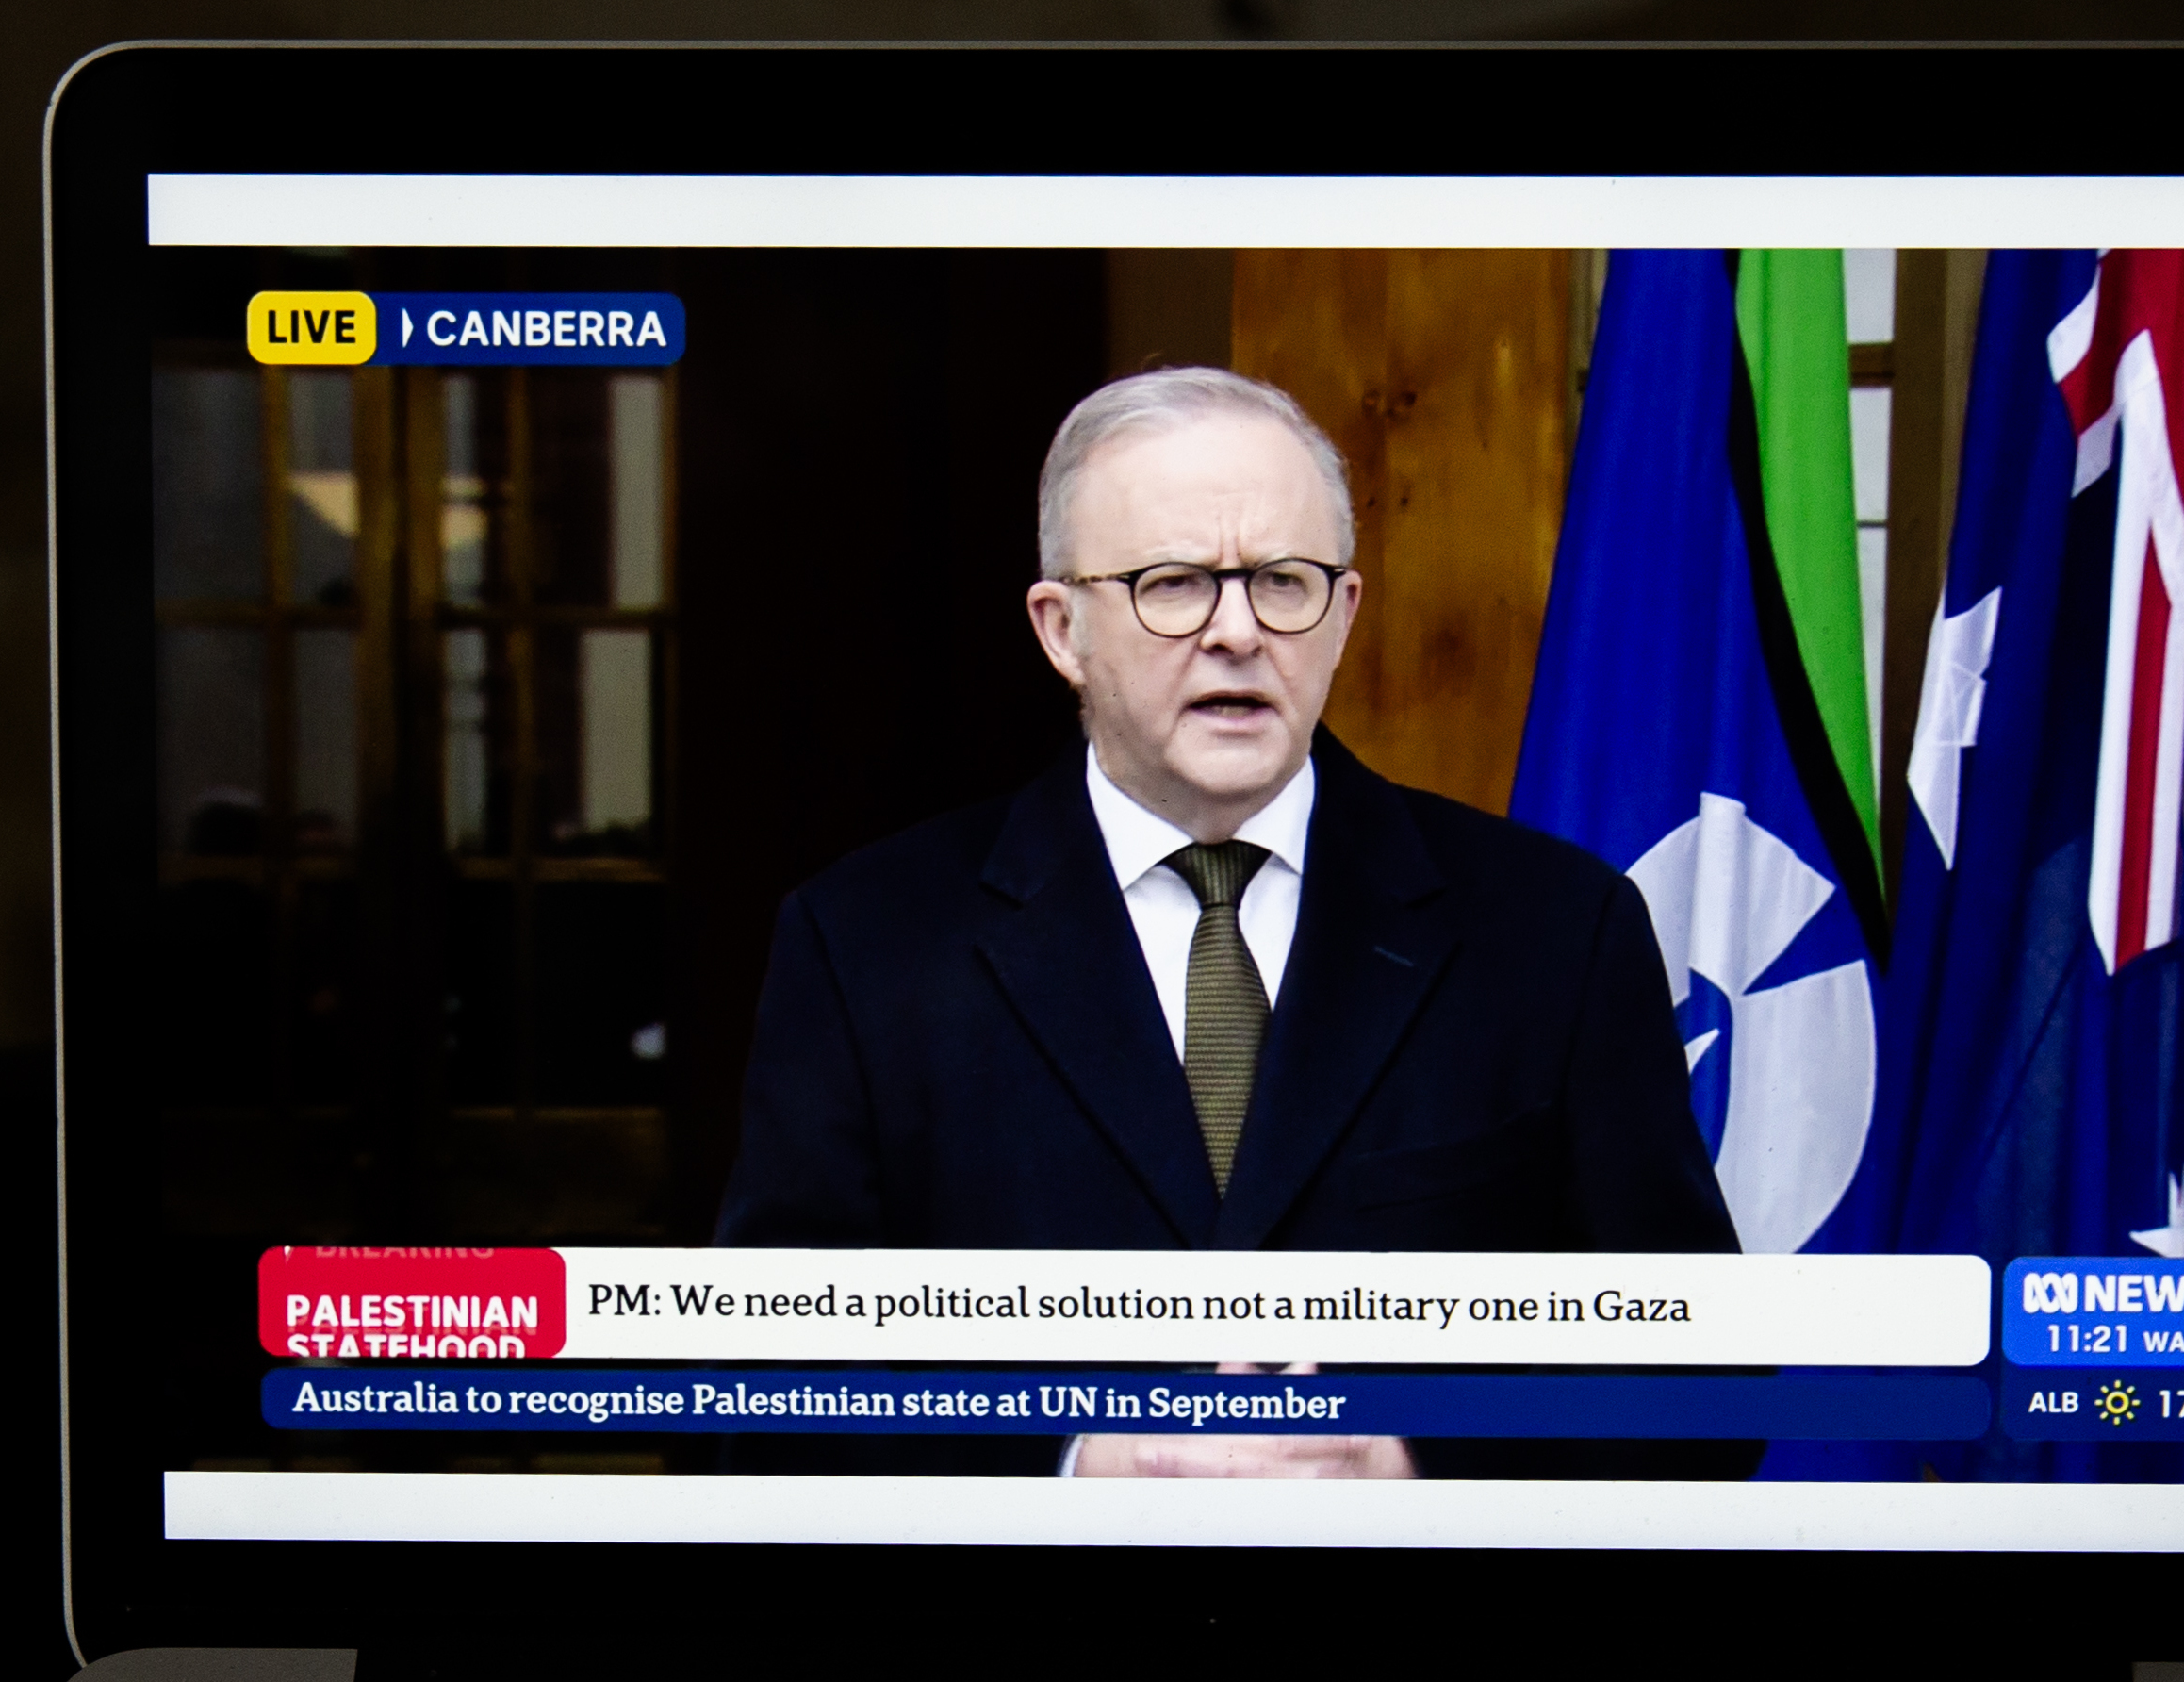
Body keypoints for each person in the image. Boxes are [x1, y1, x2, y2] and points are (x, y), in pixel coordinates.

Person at [715, 367, 1746, 1479]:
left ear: (1343, 614)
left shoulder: (1555, 930)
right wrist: (1076, 1458)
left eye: (1283, 582)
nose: (1239, 631)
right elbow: (764, 1392)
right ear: (1062, 629)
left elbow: (1701, 1377)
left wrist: (1412, 1459)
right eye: (1173, 585)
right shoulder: (867, 944)